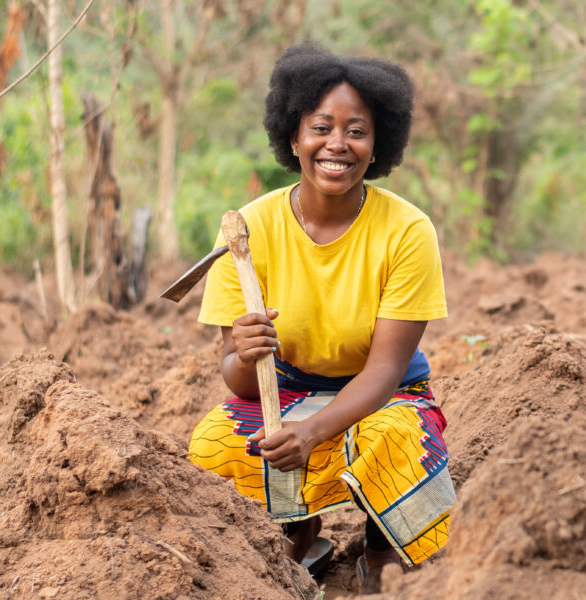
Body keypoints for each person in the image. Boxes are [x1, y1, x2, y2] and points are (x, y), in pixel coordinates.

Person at [186, 43, 453, 593]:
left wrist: (310, 432)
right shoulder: (246, 231)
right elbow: (236, 379)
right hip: (285, 390)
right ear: (293, 137)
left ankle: (383, 549)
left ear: (378, 145)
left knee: (400, 437)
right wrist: (244, 350)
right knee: (214, 442)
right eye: (321, 127)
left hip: (385, 394)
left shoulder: (407, 231)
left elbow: (383, 372)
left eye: (356, 130)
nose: (337, 144)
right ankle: (296, 532)